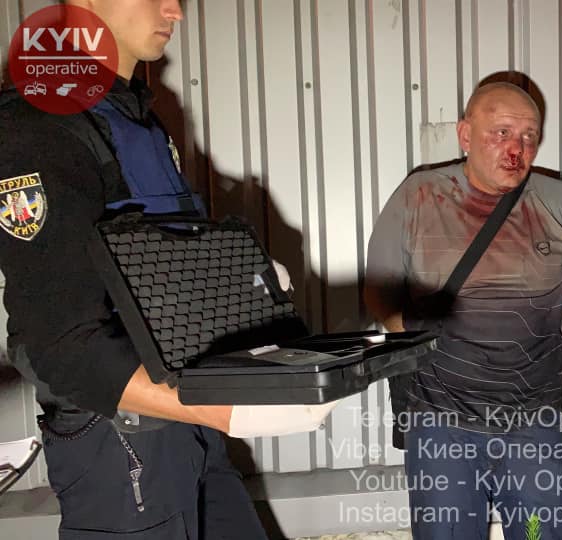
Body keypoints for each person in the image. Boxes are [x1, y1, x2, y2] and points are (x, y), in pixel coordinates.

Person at [0, 1, 336, 537]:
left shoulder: (132, 118)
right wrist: (229, 412)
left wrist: (238, 277)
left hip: (187, 423)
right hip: (120, 440)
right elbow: (60, 345)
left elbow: (151, 264)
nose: (175, 10)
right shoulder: (38, 125)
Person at [364, 81, 562, 540]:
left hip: (534, 427)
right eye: (501, 132)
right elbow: (379, 293)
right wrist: (417, 329)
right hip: (441, 427)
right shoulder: (418, 196)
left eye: (529, 136)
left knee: (537, 534)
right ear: (465, 135)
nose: (517, 148)